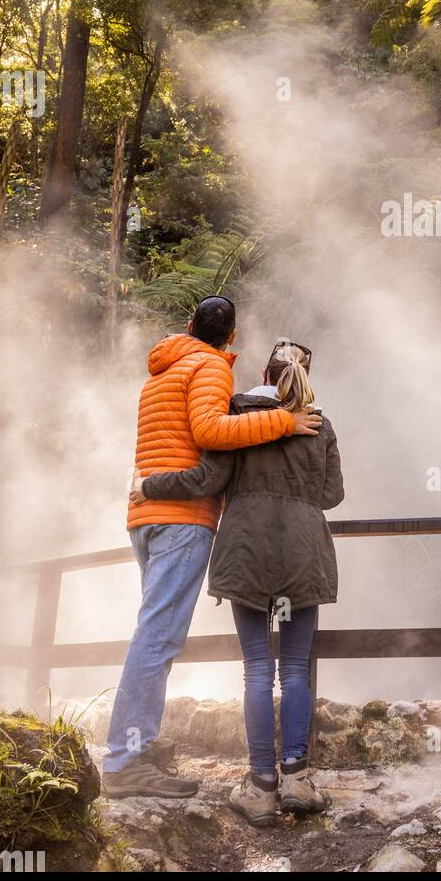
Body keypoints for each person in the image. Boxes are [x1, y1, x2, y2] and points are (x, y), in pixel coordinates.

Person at [103, 300, 323, 800]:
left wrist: (152, 487)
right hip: (182, 520)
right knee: (157, 640)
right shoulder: (209, 366)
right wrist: (286, 423)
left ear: (188, 327)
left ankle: (139, 743)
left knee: (155, 635)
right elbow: (209, 432)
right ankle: (124, 761)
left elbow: (175, 442)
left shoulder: (161, 371)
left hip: (148, 519)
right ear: (232, 336)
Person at [134, 338, 344, 827]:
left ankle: (260, 785)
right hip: (300, 558)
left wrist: (150, 485)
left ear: (264, 374)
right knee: (292, 667)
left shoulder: (237, 416)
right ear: (305, 377)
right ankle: (296, 778)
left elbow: (207, 480)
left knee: (255, 669)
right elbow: (331, 495)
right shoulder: (320, 425)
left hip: (247, 555)